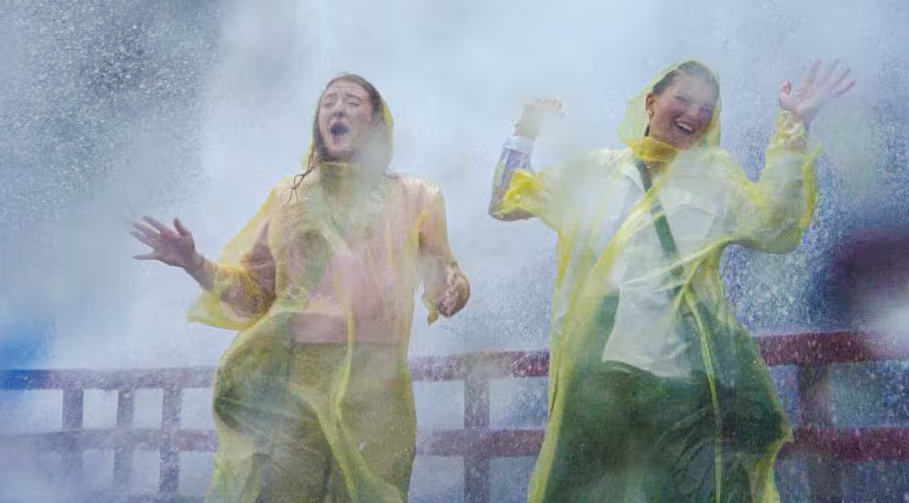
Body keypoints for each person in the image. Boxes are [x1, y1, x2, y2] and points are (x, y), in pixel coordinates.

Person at [489, 60, 853, 502]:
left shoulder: (714, 176)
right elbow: (506, 202)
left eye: (707, 107)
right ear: (650, 102)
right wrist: (525, 131)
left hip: (686, 389)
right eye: (683, 99)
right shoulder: (599, 172)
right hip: (599, 388)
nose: (695, 114)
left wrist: (795, 125)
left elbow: (776, 225)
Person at [132, 74, 470, 503]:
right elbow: (255, 294)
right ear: (318, 122)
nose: (337, 110)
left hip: (376, 388)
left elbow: (444, 272)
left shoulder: (417, 196)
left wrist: (453, 290)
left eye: (351, 102)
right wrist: (194, 263)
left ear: (376, 123)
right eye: (328, 102)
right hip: (293, 386)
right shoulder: (289, 197)